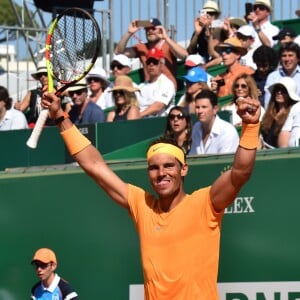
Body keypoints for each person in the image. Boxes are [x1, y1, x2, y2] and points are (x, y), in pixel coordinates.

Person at [41, 83, 261, 299]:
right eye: (154, 168)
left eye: (168, 166)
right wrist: (60, 115)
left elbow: (240, 173)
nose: (161, 173)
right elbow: (94, 166)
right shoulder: (142, 204)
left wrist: (250, 127)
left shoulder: (205, 203)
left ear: (183, 169)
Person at [115, 17, 187, 90]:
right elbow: (119, 52)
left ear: (160, 30)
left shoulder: (168, 45)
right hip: (148, 89)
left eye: (153, 28)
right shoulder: (141, 47)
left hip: (166, 89)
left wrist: (166, 38)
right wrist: (129, 33)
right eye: (147, 29)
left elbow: (184, 55)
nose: (150, 31)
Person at [190, 90, 240, 155]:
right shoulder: (196, 128)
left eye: (204, 107)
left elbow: (225, 162)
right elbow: (193, 156)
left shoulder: (228, 132)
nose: (200, 111)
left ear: (215, 109)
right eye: (197, 107)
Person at [14, 61, 55, 127]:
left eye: (45, 74)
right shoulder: (32, 93)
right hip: (35, 127)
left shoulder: (59, 91)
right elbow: (21, 108)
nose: (43, 77)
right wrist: (17, 107)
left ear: (51, 75)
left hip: (53, 129)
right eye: (40, 75)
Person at [138, 48, 175, 118]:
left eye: (155, 62)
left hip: (160, 122)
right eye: (148, 62)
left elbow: (158, 106)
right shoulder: (141, 86)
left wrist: (139, 115)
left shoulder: (167, 83)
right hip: (141, 122)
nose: (151, 65)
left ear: (162, 65)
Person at [264, 77, 300, 148]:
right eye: (277, 89)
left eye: (283, 90)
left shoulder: (293, 114)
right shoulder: (269, 114)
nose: (279, 92)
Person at [264, 42, 300, 109]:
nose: (287, 59)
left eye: (290, 55)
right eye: (284, 56)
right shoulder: (272, 77)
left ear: (298, 58)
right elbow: (268, 102)